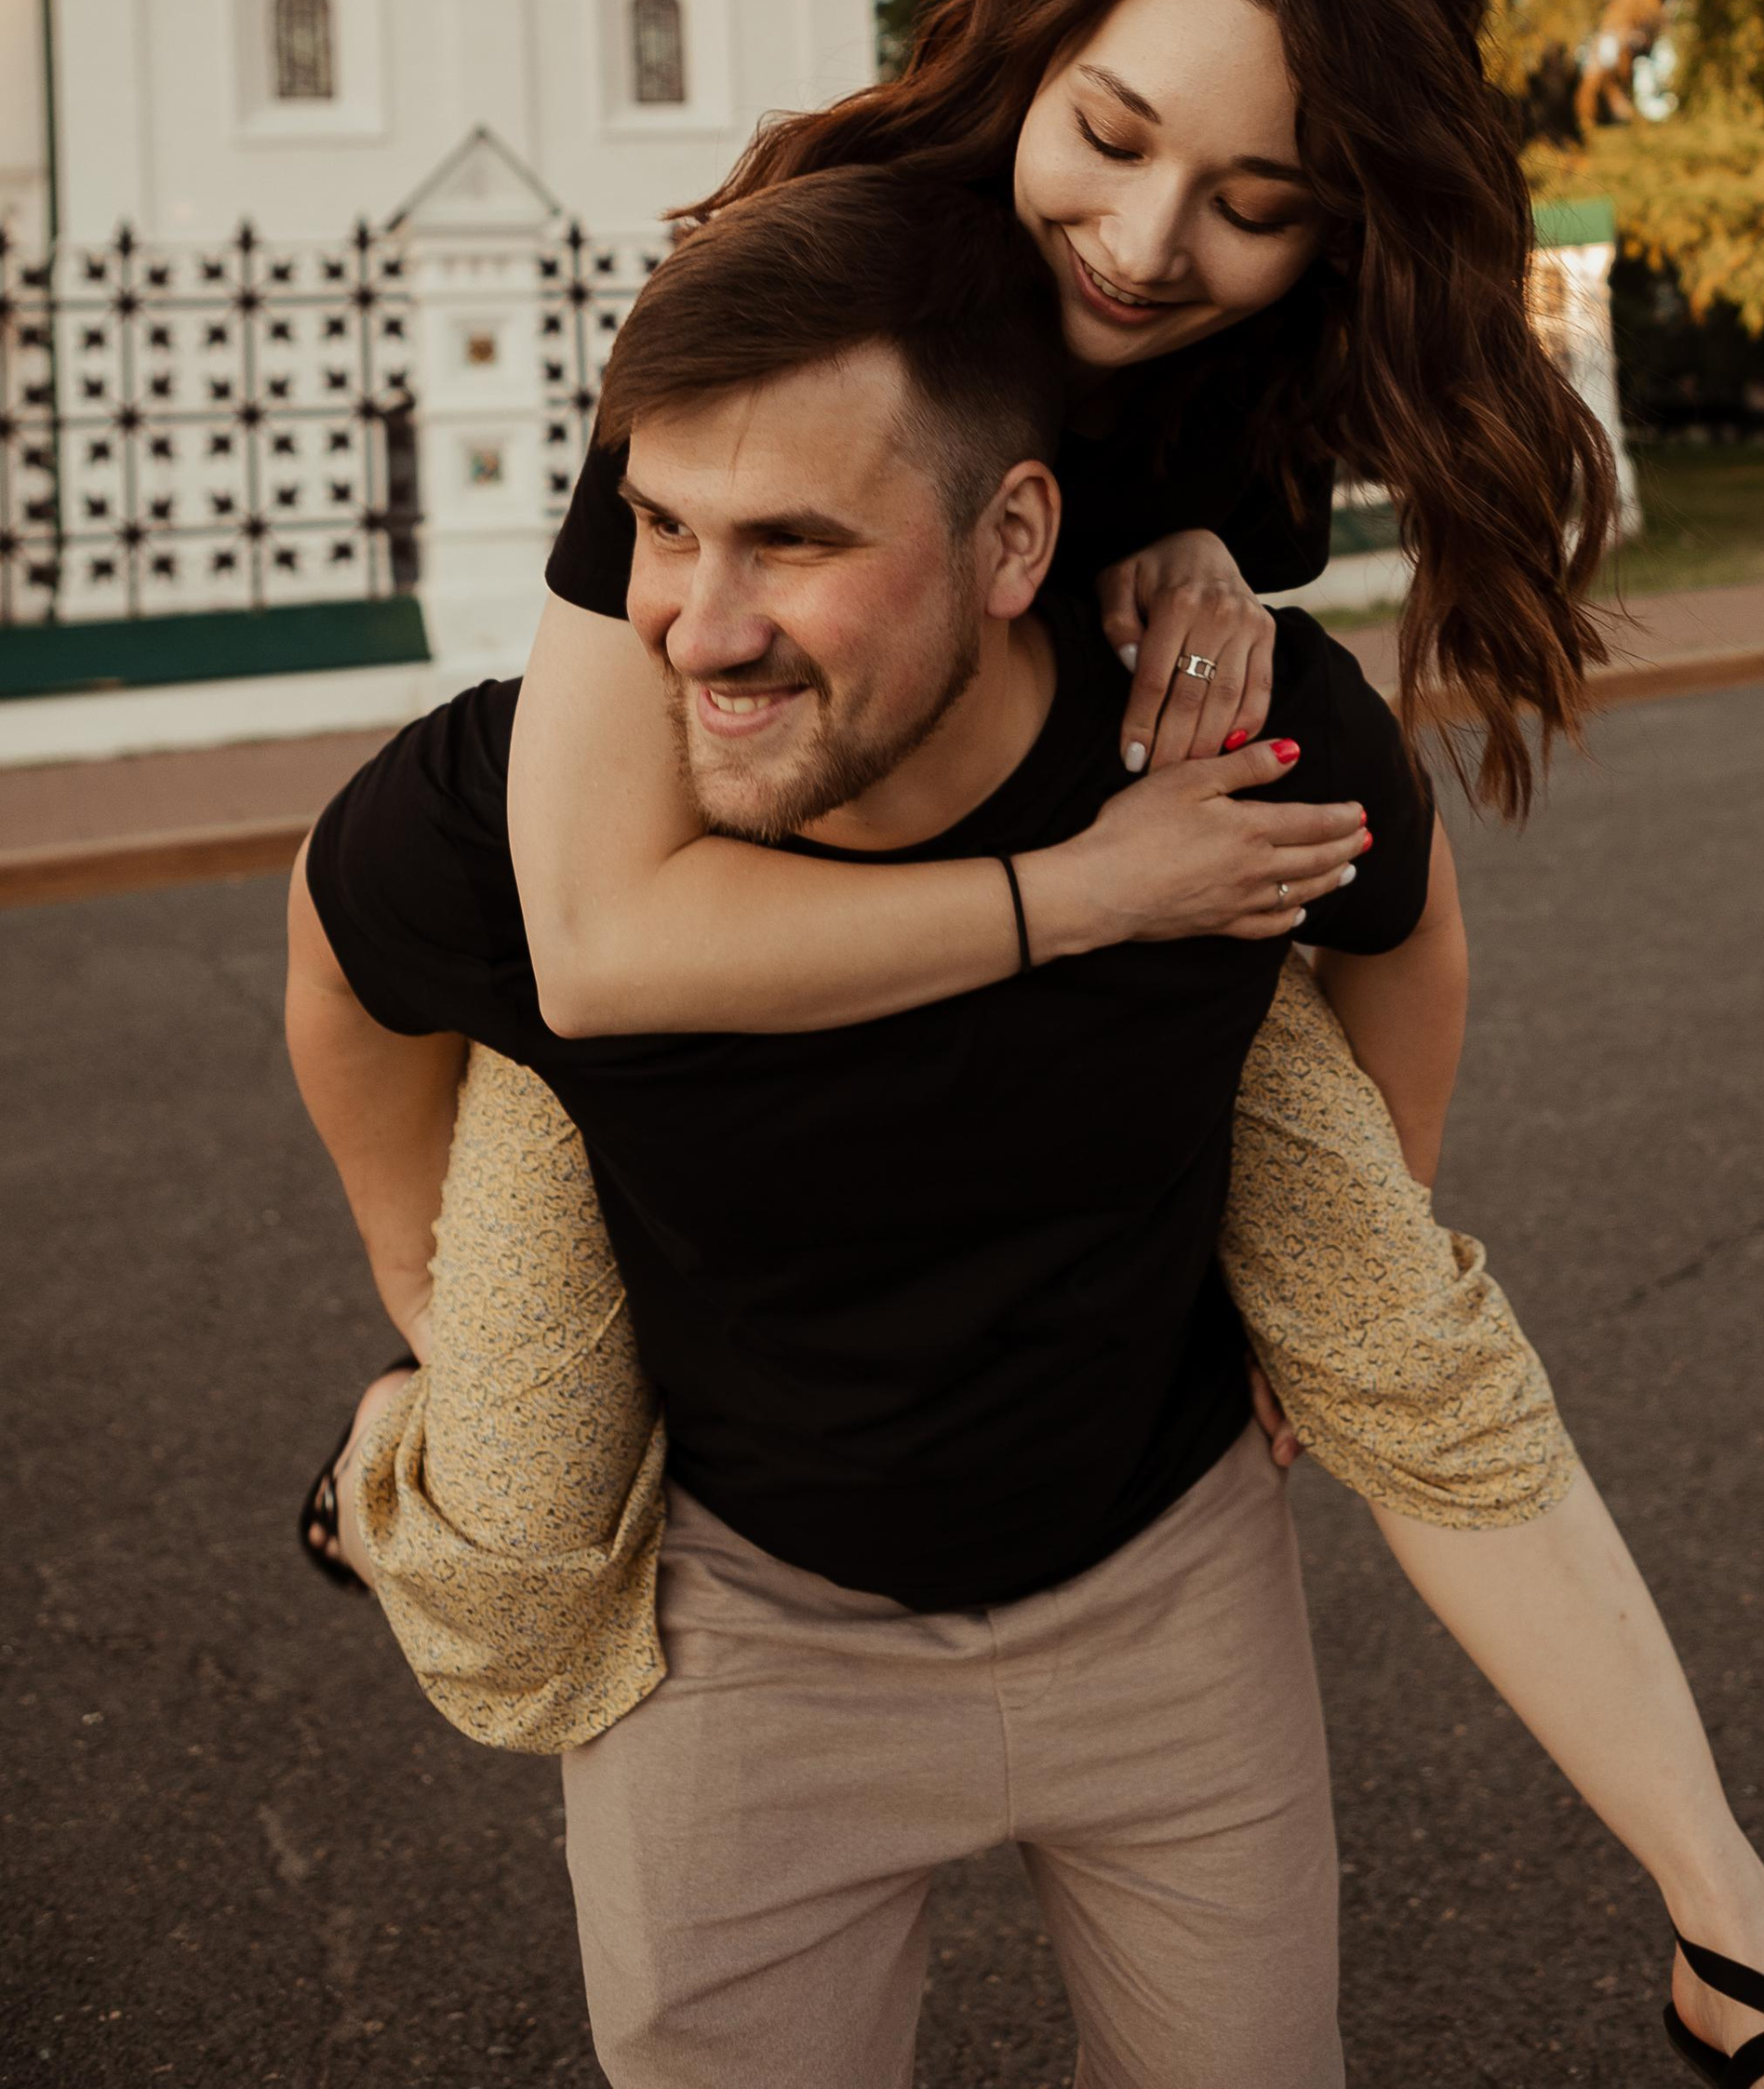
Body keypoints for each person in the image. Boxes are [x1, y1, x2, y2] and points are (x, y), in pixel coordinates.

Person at [302, 0, 1764, 2089]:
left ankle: (1729, 1923)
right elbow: (598, 933)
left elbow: (1369, 837)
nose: (1146, 247)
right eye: (1114, 139)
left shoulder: (1247, 360)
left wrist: (1220, 571)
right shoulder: (807, 307)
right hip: (680, 926)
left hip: (1119, 863)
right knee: (521, 1507)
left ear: (1334, 230)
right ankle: (395, 1450)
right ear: (1030, 58)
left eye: (1250, 200)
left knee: (1389, 1326)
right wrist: (419, 1297)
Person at [292, 168, 1419, 2086]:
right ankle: (398, 1461)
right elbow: (345, 960)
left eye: (789, 542)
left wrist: (1354, 1260)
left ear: (1012, 542)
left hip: (1163, 1583)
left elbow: (1403, 923)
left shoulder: (1205, 729)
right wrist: (417, 1279)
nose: (700, 628)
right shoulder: (531, 812)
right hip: (734, 1632)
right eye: (658, 528)